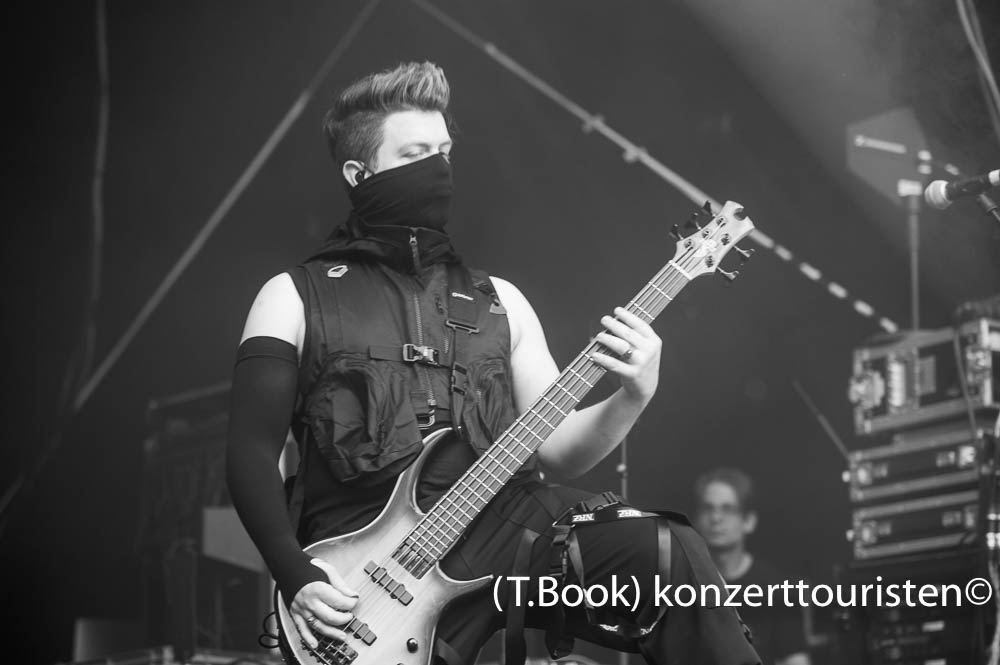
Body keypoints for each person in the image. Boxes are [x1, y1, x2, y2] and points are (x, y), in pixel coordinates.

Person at [226, 61, 760, 665]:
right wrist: (293, 573)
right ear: (360, 173)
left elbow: (559, 450)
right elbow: (251, 453)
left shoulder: (500, 302)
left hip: (499, 529)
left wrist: (634, 393)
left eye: (443, 152)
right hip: (361, 562)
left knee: (664, 551)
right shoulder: (292, 296)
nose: (437, 168)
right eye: (414, 154)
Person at [693, 468, 811, 665]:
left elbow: (796, 660)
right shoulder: (682, 587)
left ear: (749, 521)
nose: (716, 518)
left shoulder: (778, 589)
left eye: (727, 509)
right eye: (708, 508)